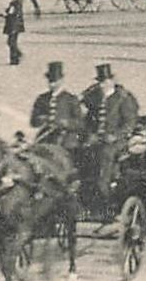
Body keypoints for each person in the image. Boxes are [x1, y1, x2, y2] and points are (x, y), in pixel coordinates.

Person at [81, 63, 140, 206]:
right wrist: (90, 134)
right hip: (98, 138)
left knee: (106, 153)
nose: (103, 85)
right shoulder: (94, 98)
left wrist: (116, 135)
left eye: (106, 81)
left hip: (118, 141)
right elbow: (88, 120)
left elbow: (130, 123)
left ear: (112, 81)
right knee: (82, 153)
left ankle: (103, 189)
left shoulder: (123, 98)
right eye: (101, 82)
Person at [29, 61, 83, 150]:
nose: (52, 84)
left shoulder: (71, 99)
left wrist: (66, 123)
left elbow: (80, 123)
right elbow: (33, 122)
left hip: (66, 140)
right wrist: (41, 119)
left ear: (61, 80)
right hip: (46, 138)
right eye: (50, 81)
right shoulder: (42, 98)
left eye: (55, 81)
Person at [2, 0, 26, 65]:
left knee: (11, 42)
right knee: (12, 42)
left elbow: (10, 13)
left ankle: (15, 57)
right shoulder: (17, 3)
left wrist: (4, 14)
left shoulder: (15, 3)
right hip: (15, 26)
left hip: (13, 25)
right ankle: (16, 56)